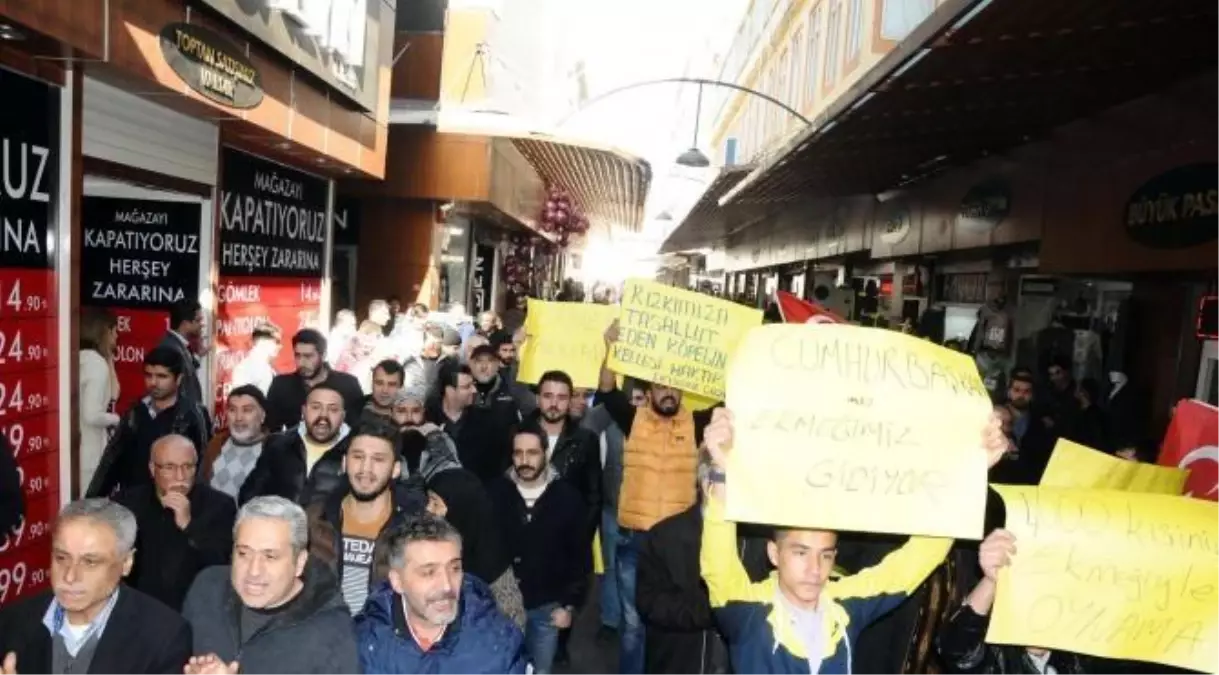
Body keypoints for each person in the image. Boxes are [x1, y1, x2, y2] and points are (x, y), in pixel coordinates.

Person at [698, 408, 1009, 674]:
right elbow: (719, 557)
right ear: (773, 553)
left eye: (825, 555)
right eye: (800, 552)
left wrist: (971, 472)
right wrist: (722, 468)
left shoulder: (843, 605)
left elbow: (915, 560)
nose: (814, 569)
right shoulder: (745, 609)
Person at [597, 322, 717, 675]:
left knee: (673, 626)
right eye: (661, 386)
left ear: (683, 393)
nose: (668, 393)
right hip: (634, 540)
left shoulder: (697, 424)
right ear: (648, 391)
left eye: (674, 388)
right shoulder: (631, 419)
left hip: (679, 547)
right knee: (634, 626)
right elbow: (606, 389)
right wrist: (610, 348)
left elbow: (732, 400)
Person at [0, 499, 191, 674]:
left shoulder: (163, 637)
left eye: (90, 562)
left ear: (126, 562)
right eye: (61, 558)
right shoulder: (12, 622)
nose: (70, 576)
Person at [182, 496, 360, 674]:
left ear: (299, 562)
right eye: (244, 553)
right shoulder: (207, 589)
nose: (253, 571)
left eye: (270, 557)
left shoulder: (332, 633)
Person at [637, 451, 771, 675]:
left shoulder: (760, 542)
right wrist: (716, 609)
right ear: (705, 481)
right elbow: (649, 603)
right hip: (678, 663)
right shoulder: (665, 535)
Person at [354, 514, 527, 674]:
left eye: (455, 568)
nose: (446, 585)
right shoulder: (363, 643)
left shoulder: (500, 641)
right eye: (429, 572)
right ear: (398, 581)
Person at [487, 426, 590, 675]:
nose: (525, 460)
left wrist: (569, 605)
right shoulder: (493, 494)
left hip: (547, 607)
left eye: (532, 453)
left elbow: (580, 557)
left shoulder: (568, 498)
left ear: (545, 453)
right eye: (518, 453)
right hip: (501, 607)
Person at [306, 417, 427, 614]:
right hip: (324, 636)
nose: (365, 469)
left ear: (396, 469)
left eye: (378, 459)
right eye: (358, 457)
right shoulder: (314, 518)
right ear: (345, 462)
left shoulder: (417, 528)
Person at [115, 435, 236, 611]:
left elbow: (220, 566)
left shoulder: (220, 506)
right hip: (139, 609)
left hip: (194, 610)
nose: (180, 476)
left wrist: (189, 526)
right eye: (169, 467)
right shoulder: (128, 504)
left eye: (187, 467)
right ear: (152, 469)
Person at [88, 345, 210, 497]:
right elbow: (112, 460)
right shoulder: (135, 412)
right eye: (149, 375)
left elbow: (204, 464)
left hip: (174, 501)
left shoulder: (193, 415)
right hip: (134, 502)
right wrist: (92, 503)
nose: (153, 382)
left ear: (178, 379)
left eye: (161, 376)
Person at [239, 384, 353, 506]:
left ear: (343, 416)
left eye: (333, 409)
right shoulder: (278, 445)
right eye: (315, 407)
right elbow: (250, 496)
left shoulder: (355, 451)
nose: (323, 416)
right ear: (303, 411)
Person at [265, 329, 364, 432]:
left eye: (308, 356)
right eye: (297, 355)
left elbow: (358, 427)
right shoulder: (281, 385)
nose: (301, 362)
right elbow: (271, 428)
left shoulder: (348, 385)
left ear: (323, 355)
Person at [201, 385, 269, 500]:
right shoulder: (216, 444)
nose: (238, 418)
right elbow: (201, 486)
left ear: (262, 415)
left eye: (247, 410)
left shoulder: (274, 450)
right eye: (232, 410)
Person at [79, 307, 121, 490]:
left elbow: (113, 394)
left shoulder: (83, 358)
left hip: (80, 450)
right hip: (91, 452)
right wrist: (117, 419)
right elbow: (92, 414)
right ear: (106, 331)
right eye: (115, 331)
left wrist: (109, 358)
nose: (117, 336)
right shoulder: (96, 364)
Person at [159, 298, 205, 406]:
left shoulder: (178, 345)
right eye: (198, 320)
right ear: (185, 324)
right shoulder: (170, 348)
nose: (201, 325)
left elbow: (185, 372)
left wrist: (198, 357)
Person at [230, 324, 281, 395]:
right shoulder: (244, 368)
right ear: (263, 341)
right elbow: (242, 399)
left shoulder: (267, 367)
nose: (280, 346)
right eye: (277, 342)